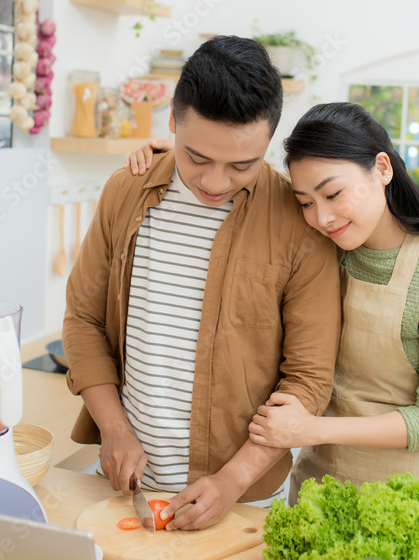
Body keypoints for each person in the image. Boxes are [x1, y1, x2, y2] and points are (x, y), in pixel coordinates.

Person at [130, 102, 419, 527]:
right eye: (305, 201)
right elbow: (250, 174)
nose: (322, 217)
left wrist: (311, 430)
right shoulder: (323, 247)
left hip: (406, 502)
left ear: (382, 169)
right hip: (317, 490)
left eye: (333, 194)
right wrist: (184, 155)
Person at [62, 36, 340, 531]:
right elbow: (83, 320)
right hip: (128, 489)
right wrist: (114, 430)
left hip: (243, 502)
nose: (214, 183)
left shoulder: (298, 223)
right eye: (196, 158)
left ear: (269, 142)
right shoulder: (126, 189)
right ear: (171, 122)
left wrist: (233, 480)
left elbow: (308, 378)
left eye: (241, 165)